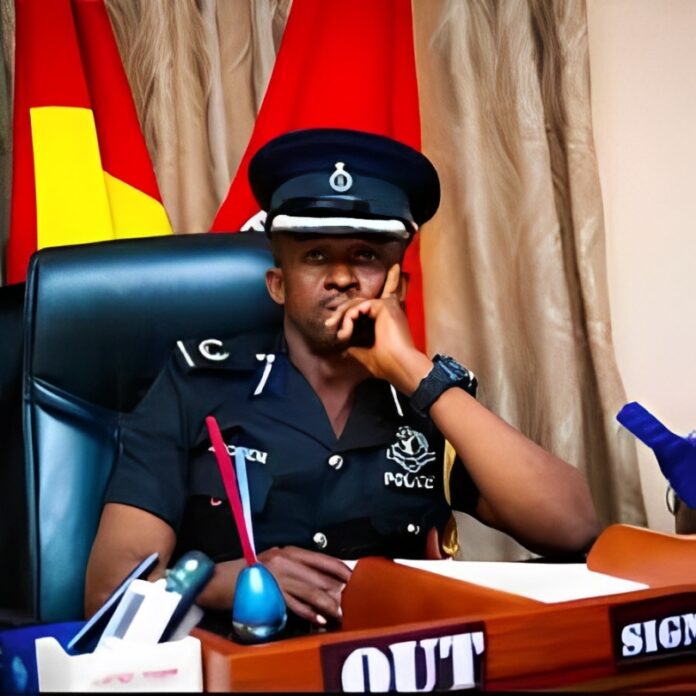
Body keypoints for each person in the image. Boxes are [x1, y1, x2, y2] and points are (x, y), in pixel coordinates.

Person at [85, 128, 599, 628]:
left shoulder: (428, 398)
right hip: (245, 666)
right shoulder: (195, 384)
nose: (341, 277)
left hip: (393, 664)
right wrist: (234, 581)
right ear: (278, 284)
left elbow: (572, 527)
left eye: (366, 256)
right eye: (315, 256)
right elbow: (109, 596)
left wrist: (415, 373)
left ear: (398, 284)